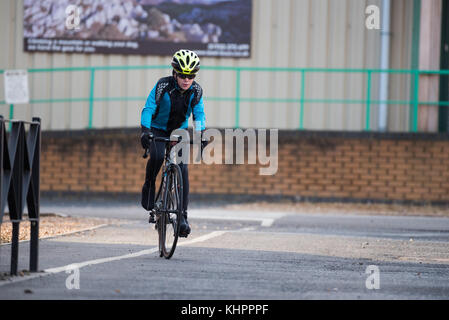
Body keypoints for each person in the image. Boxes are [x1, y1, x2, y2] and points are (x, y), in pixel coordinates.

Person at [140, 49, 206, 237]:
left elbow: (199, 115)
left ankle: (183, 217)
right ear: (175, 73)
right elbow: (148, 108)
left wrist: (201, 134)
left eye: (191, 75)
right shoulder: (162, 86)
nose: (187, 79)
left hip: (179, 131)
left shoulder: (196, 91)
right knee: (159, 155)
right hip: (157, 128)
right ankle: (150, 185)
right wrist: (145, 130)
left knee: (183, 167)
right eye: (183, 75)